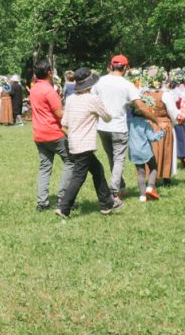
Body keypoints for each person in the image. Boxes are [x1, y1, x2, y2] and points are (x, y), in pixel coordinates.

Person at [57, 67, 122, 217]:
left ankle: (107, 204)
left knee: (98, 170)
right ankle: (64, 207)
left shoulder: (71, 99)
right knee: (79, 176)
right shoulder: (92, 99)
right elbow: (107, 117)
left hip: (73, 142)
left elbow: (65, 122)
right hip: (85, 144)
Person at [92, 54, 153, 199]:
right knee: (119, 159)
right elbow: (140, 106)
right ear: (126, 68)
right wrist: (155, 120)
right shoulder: (127, 84)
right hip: (119, 127)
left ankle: (121, 186)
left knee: (112, 158)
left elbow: (92, 100)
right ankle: (114, 191)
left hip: (102, 126)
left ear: (111, 66)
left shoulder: (99, 81)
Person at [29, 60, 72, 212]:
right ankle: (63, 198)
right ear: (50, 73)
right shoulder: (49, 90)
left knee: (45, 167)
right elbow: (59, 113)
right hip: (53, 133)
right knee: (70, 161)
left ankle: (42, 202)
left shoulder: (34, 89)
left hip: (39, 134)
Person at [127, 108, 165, 202]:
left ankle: (142, 196)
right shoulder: (146, 123)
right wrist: (162, 132)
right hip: (146, 151)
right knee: (153, 167)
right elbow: (152, 138)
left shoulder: (129, 123)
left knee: (140, 173)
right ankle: (150, 187)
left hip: (134, 152)